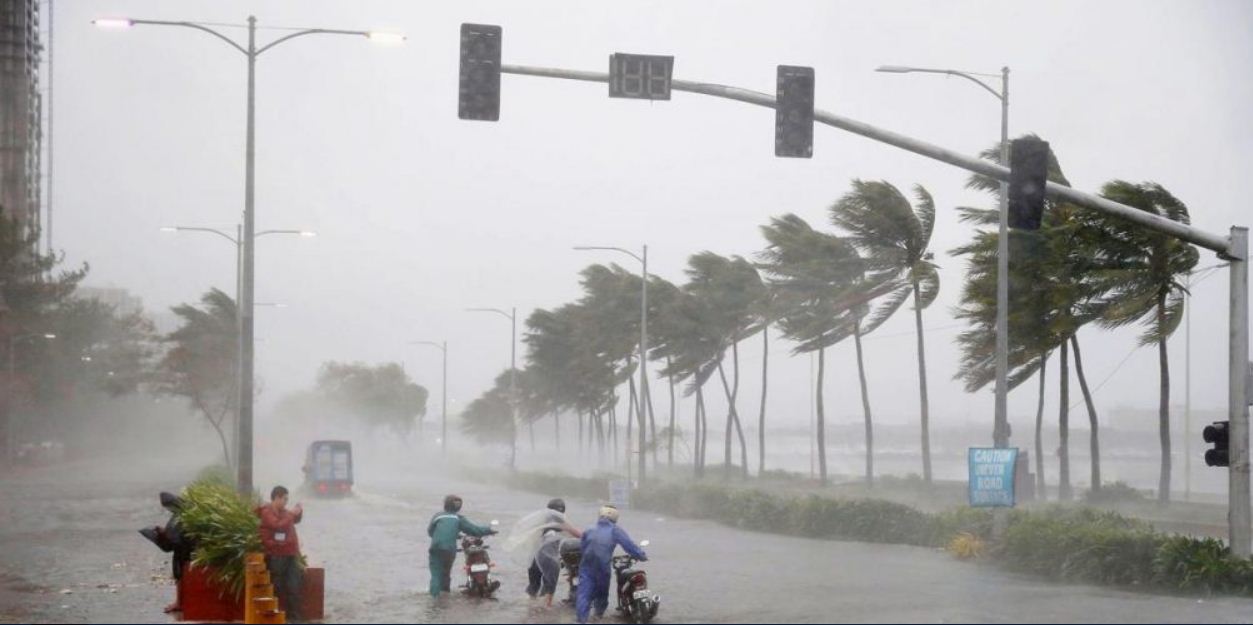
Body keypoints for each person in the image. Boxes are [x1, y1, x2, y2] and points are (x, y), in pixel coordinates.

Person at [576, 505, 646, 624]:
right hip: (602, 568)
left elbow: (582, 548)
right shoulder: (615, 530)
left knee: (583, 594)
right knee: (602, 593)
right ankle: (597, 617)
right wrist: (642, 556)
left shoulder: (589, 529)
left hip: (586, 566)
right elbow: (629, 546)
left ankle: (581, 621)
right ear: (615, 517)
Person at [427, 494, 496, 598]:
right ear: (459, 507)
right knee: (446, 574)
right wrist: (489, 530)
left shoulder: (438, 516)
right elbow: (474, 530)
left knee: (436, 575)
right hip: (450, 550)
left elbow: (430, 532)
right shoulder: (458, 518)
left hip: (435, 548)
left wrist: (451, 536)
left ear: (445, 504)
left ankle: (434, 600)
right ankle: (445, 595)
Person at [138, 492, 195, 614]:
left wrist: (163, 535)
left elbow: (175, 540)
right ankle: (181, 601)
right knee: (180, 576)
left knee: (180, 575)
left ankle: (180, 603)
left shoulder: (182, 516)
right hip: (186, 550)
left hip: (184, 551)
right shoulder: (183, 512)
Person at [523, 498, 582, 606]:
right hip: (547, 558)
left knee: (533, 587)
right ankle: (545, 615)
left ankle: (529, 611)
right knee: (548, 590)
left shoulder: (541, 519)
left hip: (533, 557)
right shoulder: (560, 521)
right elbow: (577, 534)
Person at [258, 485, 304, 621]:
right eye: (284, 499)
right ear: (276, 497)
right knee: (277, 587)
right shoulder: (267, 512)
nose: (286, 502)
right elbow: (278, 525)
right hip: (276, 554)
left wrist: (298, 511)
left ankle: (294, 618)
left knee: (294, 586)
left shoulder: (284, 511)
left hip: (290, 553)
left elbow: (295, 519)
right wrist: (292, 513)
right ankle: (275, 618)